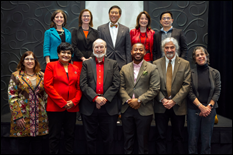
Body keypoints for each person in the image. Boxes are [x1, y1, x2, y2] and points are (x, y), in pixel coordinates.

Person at [79, 39, 120, 154]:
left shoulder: (113, 63)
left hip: (109, 108)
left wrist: (104, 99)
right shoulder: (86, 64)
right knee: (90, 140)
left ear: (106, 49)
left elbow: (116, 84)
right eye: (96, 47)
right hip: (89, 107)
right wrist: (96, 98)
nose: (99, 49)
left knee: (109, 140)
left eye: (101, 47)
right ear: (93, 49)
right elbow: (83, 84)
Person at [120, 43, 160, 154]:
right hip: (127, 109)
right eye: (135, 50)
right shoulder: (124, 68)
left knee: (143, 142)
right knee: (127, 141)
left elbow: (155, 88)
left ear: (145, 52)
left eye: (141, 50)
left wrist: (139, 100)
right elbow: (120, 87)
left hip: (144, 109)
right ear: (131, 52)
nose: (138, 52)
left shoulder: (152, 68)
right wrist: (129, 100)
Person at [153, 37, 191, 154]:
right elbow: (154, 85)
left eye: (172, 47)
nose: (169, 50)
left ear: (176, 49)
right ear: (163, 49)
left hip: (178, 106)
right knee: (160, 136)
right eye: (167, 47)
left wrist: (174, 101)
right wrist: (163, 99)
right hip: (161, 105)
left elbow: (186, 85)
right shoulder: (155, 64)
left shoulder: (185, 64)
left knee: (178, 137)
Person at [44, 42, 82, 154]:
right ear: (58, 54)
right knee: (54, 136)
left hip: (71, 108)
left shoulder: (75, 68)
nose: (66, 55)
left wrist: (74, 101)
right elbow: (48, 86)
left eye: (69, 53)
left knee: (70, 135)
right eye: (63, 52)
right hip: (55, 107)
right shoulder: (51, 66)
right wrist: (62, 102)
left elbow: (79, 88)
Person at [8, 51, 48, 154]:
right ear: (23, 61)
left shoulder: (41, 75)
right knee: (23, 147)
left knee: (38, 147)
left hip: (39, 117)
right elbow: (12, 96)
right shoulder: (16, 76)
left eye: (32, 59)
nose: (30, 61)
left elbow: (46, 95)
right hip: (23, 116)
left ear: (35, 61)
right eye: (27, 59)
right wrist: (18, 116)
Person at [187, 46, 221, 154]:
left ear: (206, 56)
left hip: (209, 110)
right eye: (197, 55)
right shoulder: (190, 73)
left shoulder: (215, 73)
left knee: (206, 141)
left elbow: (217, 91)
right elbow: (189, 92)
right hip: (194, 109)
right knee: (192, 140)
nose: (200, 57)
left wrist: (208, 107)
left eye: (202, 54)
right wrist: (201, 107)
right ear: (194, 58)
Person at [97, 5, 131, 69]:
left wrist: (129, 64)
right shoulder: (101, 29)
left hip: (121, 63)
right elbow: (99, 47)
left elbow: (128, 48)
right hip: (106, 61)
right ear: (109, 14)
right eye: (112, 12)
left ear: (120, 15)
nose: (114, 14)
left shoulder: (126, 29)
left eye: (116, 13)